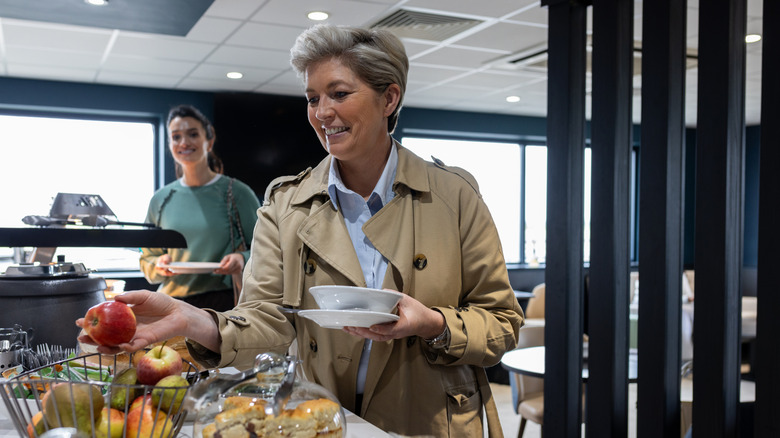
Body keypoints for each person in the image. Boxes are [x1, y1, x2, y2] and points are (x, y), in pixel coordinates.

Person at [79, 25, 523, 437]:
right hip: (320, 418)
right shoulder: (285, 205)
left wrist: (433, 323)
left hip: (430, 418)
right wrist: (194, 321)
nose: (322, 113)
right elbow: (265, 320)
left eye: (339, 93)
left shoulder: (455, 197)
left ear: (389, 99)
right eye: (312, 98)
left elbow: (502, 323)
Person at [139, 104, 260, 311]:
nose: (184, 142)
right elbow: (147, 258)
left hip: (222, 304)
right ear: (170, 144)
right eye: (176, 137)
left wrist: (242, 258)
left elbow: (266, 249)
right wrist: (158, 264)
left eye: (193, 134)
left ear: (209, 141)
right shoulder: (160, 199)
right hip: (170, 302)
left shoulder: (236, 193)